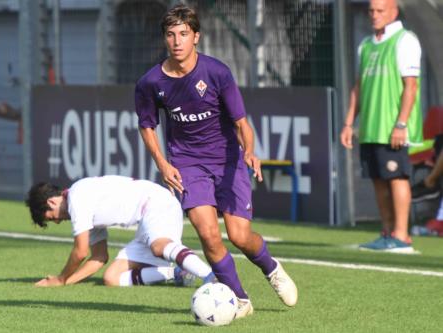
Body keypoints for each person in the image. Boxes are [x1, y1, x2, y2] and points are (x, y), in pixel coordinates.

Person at [134, 4, 297, 319]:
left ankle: (270, 266)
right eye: (170, 34)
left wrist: (250, 150)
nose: (177, 41)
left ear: (196, 36)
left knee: (238, 236)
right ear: (165, 39)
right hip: (187, 165)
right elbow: (147, 125)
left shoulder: (217, 72)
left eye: (183, 34)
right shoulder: (150, 83)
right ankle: (239, 299)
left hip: (228, 161)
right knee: (208, 234)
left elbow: (241, 123)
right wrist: (163, 164)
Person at [25, 175, 215, 288]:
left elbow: (80, 251)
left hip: (156, 204)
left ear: (51, 202)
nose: (57, 222)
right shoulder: (81, 210)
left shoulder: (77, 198)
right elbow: (99, 257)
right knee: (112, 278)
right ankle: (178, 273)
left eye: (52, 217)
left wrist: (60, 278)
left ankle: (212, 277)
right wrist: (66, 282)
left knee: (159, 246)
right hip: (146, 220)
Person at [341, 0, 423, 253]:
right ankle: (387, 233)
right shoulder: (365, 45)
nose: (374, 16)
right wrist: (348, 123)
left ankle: (402, 235)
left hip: (393, 128)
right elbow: (359, 87)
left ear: (393, 12)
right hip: (371, 128)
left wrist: (401, 124)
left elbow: (411, 86)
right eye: (371, 11)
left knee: (397, 178)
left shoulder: (405, 40)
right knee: (378, 179)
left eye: (380, 11)